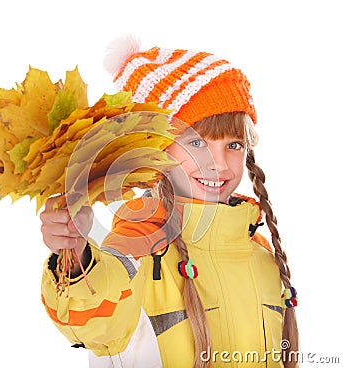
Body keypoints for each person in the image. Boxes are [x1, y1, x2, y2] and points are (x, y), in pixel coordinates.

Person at [40, 36, 299, 368]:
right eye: (195, 142)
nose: (218, 164)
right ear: (156, 149)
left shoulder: (261, 253)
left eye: (233, 145)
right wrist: (75, 259)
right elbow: (95, 322)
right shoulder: (136, 247)